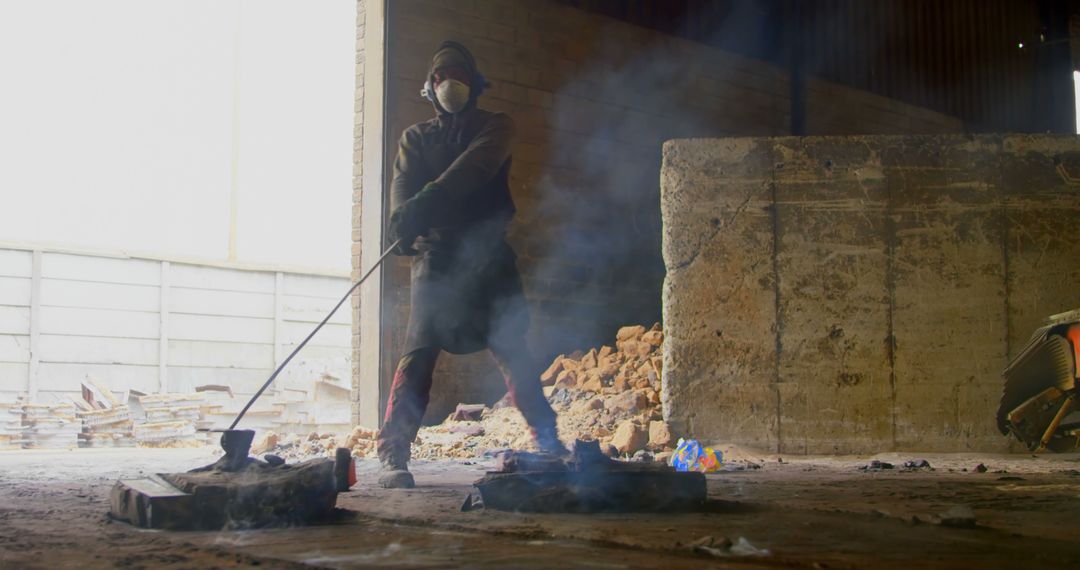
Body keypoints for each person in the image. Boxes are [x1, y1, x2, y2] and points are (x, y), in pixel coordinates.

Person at [376, 41, 566, 489]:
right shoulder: (415, 139)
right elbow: (402, 195)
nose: (449, 83)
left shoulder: (497, 127)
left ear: (474, 83)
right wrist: (401, 223)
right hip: (437, 260)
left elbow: (473, 169)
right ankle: (393, 454)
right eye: (441, 76)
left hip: (488, 256)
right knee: (418, 356)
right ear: (430, 86)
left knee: (514, 352)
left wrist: (423, 202)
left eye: (459, 74)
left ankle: (550, 442)